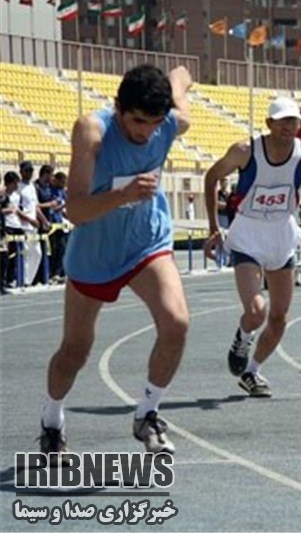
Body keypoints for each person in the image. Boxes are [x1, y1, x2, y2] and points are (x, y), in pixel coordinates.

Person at [38, 64, 193, 456]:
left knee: (176, 322)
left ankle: (148, 414)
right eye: (138, 121)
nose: (145, 132)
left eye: (154, 123)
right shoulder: (92, 131)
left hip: (146, 243)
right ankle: (52, 417)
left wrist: (178, 84)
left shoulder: (171, 124)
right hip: (95, 253)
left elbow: (181, 75)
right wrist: (123, 196)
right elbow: (75, 210)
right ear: (118, 106)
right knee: (75, 350)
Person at [203, 97, 301, 397]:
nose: (290, 126)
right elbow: (211, 177)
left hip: (282, 234)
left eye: (295, 121)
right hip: (248, 233)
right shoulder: (245, 150)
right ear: (269, 123)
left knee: (279, 317)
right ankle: (243, 337)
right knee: (256, 310)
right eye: (284, 121)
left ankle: (252, 371)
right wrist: (213, 227)